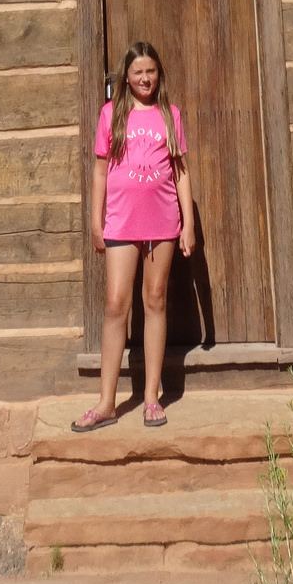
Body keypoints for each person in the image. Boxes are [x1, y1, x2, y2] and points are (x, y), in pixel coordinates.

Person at [71, 39, 194, 432]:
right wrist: (96, 221)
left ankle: (151, 398)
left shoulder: (170, 114)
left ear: (159, 74)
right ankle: (107, 402)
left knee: (155, 300)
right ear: (127, 76)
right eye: (139, 71)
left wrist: (187, 223)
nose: (145, 78)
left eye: (152, 71)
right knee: (115, 304)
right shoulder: (113, 114)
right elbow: (99, 171)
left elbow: (181, 172)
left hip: (162, 222)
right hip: (121, 222)